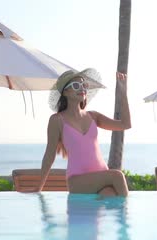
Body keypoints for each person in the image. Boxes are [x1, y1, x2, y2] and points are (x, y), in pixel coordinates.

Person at [28, 68, 131, 196]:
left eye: (84, 85)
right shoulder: (57, 120)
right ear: (65, 92)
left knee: (109, 195)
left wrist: (122, 91)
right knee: (118, 176)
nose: (82, 88)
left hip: (102, 177)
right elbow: (49, 155)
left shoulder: (93, 116)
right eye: (76, 85)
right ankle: (128, 214)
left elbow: (125, 124)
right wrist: (39, 187)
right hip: (78, 180)